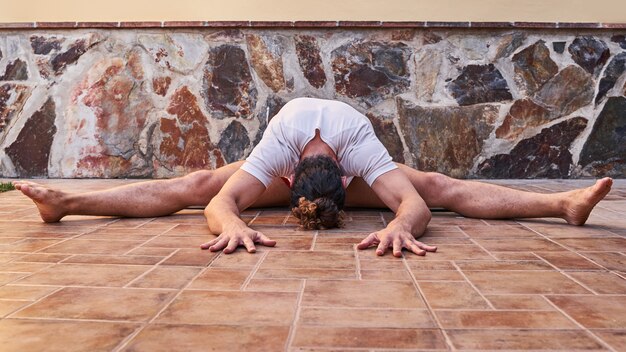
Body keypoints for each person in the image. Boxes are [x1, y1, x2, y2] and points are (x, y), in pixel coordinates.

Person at [12, 98, 613, 257]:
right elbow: (218, 202)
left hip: (351, 160)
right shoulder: (282, 140)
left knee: (436, 184)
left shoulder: (358, 141)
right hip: (291, 155)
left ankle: (564, 204)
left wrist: (403, 226)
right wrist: (231, 225)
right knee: (195, 183)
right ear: (292, 173)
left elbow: (416, 206)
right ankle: (64, 201)